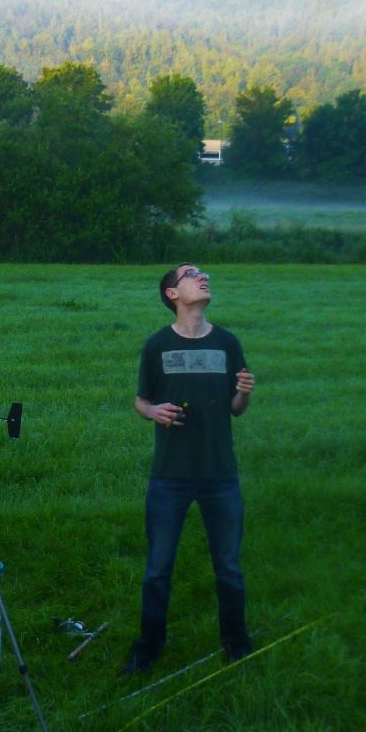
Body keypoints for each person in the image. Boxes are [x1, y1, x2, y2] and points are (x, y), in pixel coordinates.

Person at [123, 263, 255, 675]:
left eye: (203, 274)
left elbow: (236, 408)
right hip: (170, 477)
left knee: (229, 569)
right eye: (191, 274)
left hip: (220, 475)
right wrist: (152, 412)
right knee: (158, 570)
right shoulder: (157, 345)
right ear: (172, 294)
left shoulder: (227, 343)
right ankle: (148, 648)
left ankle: (237, 645)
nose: (203, 277)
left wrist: (244, 393)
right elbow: (142, 400)